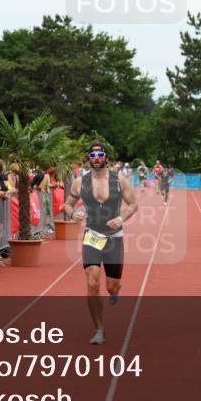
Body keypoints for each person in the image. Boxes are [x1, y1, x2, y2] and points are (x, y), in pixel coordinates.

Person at [62, 143, 138, 345]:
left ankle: (116, 291)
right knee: (92, 282)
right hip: (92, 236)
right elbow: (67, 204)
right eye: (92, 155)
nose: (96, 157)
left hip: (114, 238)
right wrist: (73, 213)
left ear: (106, 157)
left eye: (99, 154)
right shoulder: (80, 182)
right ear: (89, 158)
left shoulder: (118, 179)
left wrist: (121, 219)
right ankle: (99, 329)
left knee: (111, 287)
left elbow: (133, 205)